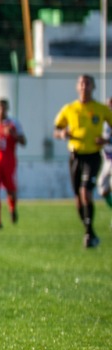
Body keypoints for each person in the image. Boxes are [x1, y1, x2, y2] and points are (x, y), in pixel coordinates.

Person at [52, 74, 112, 249]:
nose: (84, 86)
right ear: (77, 87)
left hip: (93, 156)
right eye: (81, 83)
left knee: (86, 191)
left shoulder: (101, 109)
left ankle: (88, 233)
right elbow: (56, 129)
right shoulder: (70, 109)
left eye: (87, 83)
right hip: (75, 156)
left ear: (93, 87)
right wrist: (62, 134)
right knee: (78, 198)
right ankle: (90, 231)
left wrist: (106, 141)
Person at [0, 98, 26, 229]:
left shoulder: (13, 124)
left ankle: (12, 209)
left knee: (10, 190)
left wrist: (13, 135)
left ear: (7, 109)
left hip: (9, 162)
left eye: (4, 108)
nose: (1, 110)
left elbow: (24, 142)